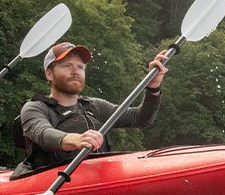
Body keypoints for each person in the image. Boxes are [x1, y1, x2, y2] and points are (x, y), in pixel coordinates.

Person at [11, 42, 167, 179]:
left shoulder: (94, 106)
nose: (76, 71)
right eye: (67, 66)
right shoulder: (35, 108)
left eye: (80, 67)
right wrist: (76, 140)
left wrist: (153, 87)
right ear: (49, 74)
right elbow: (43, 133)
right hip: (49, 178)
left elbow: (141, 118)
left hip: (95, 177)